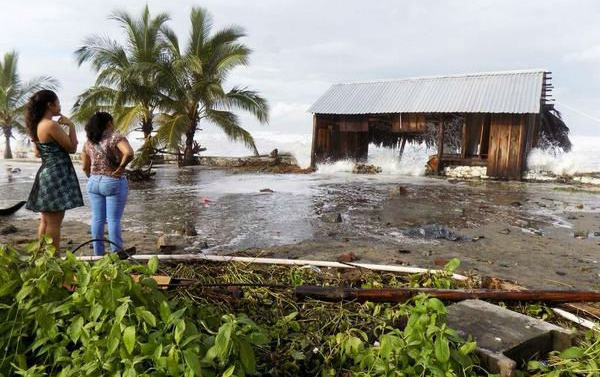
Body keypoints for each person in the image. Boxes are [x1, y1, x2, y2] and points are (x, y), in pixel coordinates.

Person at [25, 90, 84, 251]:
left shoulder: (37, 125)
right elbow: (72, 148)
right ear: (50, 105)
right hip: (56, 174)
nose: (59, 106)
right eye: (57, 103)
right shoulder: (50, 124)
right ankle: (54, 259)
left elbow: (38, 153)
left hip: (46, 173)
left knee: (45, 221)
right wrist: (71, 125)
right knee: (54, 223)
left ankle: (42, 257)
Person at [81, 112, 134, 255]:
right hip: (112, 181)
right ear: (109, 123)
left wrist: (94, 178)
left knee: (97, 219)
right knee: (113, 219)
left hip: (93, 182)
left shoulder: (89, 142)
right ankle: (116, 252)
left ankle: (98, 254)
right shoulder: (115, 138)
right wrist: (121, 168)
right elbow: (129, 153)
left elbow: (85, 167)